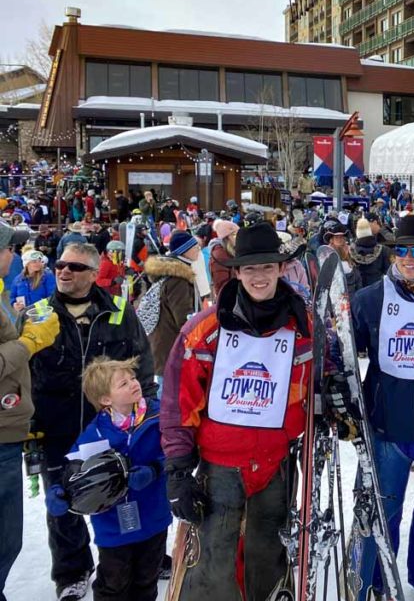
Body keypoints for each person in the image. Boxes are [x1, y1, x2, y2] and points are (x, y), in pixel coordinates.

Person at [160, 223, 313, 600]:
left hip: (276, 462)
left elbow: (314, 380)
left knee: (267, 558)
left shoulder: (303, 326)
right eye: (250, 269)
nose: (258, 277)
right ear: (236, 272)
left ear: (280, 269)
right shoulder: (206, 328)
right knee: (215, 564)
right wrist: (179, 467)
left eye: (266, 267)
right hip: (221, 466)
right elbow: (178, 400)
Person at [329, 215, 414, 600]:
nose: (409, 258)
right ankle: (375, 578)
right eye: (402, 250)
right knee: (379, 511)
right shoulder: (370, 300)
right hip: (385, 426)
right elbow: (340, 351)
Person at [33, 242, 155, 600]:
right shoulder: (40, 313)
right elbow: (25, 372)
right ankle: (72, 570)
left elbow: (141, 362)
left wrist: (145, 411)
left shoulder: (118, 309)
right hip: (57, 425)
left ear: (91, 273)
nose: (63, 271)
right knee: (63, 503)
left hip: (114, 426)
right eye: (59, 265)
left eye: (73, 266)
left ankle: (138, 557)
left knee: (126, 491)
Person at [45, 357, 171, 601]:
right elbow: (75, 470)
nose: (134, 383)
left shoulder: (158, 418)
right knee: (113, 582)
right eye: (123, 383)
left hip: (153, 519)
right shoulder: (95, 433)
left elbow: (176, 456)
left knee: (147, 580)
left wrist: (155, 470)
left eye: (133, 378)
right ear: (105, 400)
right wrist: (60, 493)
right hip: (113, 526)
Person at [0, 223, 60, 601]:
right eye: (10, 248)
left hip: (9, 427)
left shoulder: (3, 291)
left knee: (9, 541)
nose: (16, 256)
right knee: (5, 541)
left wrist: (25, 324)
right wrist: (28, 342)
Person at [142, 231, 200, 383]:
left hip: (162, 342)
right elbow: (183, 318)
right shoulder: (178, 279)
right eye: (194, 247)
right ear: (184, 251)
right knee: (168, 393)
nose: (198, 249)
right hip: (170, 345)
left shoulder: (172, 274)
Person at [351, 217, 391, 288]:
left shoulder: (350, 251)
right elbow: (389, 273)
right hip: (377, 290)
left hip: (357, 291)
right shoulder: (383, 250)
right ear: (369, 231)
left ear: (357, 233)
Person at [208, 218, 239, 298]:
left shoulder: (232, 250)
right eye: (235, 234)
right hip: (229, 301)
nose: (238, 237)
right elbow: (222, 286)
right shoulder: (220, 255)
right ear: (227, 237)